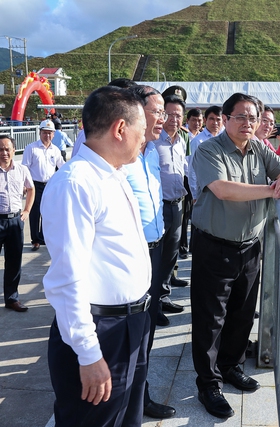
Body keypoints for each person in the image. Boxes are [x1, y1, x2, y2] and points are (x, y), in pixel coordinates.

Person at [41, 86, 151, 427]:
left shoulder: (113, 174)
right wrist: (89, 355)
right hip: (101, 330)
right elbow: (66, 280)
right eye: (141, 131)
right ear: (120, 129)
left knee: (125, 417)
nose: (144, 140)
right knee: (92, 420)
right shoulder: (76, 183)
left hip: (131, 322)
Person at [190, 93, 280, 419]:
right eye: (240, 117)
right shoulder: (209, 149)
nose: (248, 123)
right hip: (215, 246)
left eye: (252, 118)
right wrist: (273, 189)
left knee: (241, 313)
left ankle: (231, 366)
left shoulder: (258, 148)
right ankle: (208, 384)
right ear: (225, 119)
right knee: (210, 319)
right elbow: (224, 190)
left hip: (250, 247)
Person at [124, 85, 177, 419]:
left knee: (147, 331)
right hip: (132, 255)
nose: (165, 118)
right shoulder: (121, 159)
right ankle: (126, 401)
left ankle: (140, 398)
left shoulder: (152, 152)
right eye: (158, 111)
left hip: (154, 252)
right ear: (136, 112)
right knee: (129, 334)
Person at [152, 93, 189, 317]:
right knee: (156, 255)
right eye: (170, 114)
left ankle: (163, 296)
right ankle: (153, 303)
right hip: (159, 206)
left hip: (178, 204)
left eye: (179, 115)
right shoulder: (153, 141)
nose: (174, 119)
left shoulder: (181, 140)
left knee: (171, 255)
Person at [0, 135, 34, 312]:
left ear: (14, 150)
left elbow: (30, 188)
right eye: (1, 149)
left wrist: (27, 210)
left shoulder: (21, 169)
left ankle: (12, 299)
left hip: (15, 222)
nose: (4, 153)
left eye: (7, 149)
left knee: (14, 262)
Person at [22, 119, 65, 251]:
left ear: (53, 134)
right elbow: (25, 168)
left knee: (49, 212)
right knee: (35, 213)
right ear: (40, 133)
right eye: (44, 133)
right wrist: (24, 185)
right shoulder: (31, 148)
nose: (47, 136)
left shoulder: (55, 150)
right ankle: (35, 240)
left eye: (50, 133)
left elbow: (62, 166)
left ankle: (43, 237)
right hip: (35, 185)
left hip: (50, 185)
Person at [179, 108, 202, 259]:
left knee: (197, 213)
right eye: (193, 120)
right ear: (188, 121)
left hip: (199, 179)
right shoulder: (183, 135)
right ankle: (182, 247)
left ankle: (194, 245)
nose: (197, 123)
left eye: (199, 120)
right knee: (185, 215)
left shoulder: (203, 137)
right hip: (186, 178)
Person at [188, 105, 224, 199]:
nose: (215, 123)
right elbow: (192, 170)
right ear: (205, 120)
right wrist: (195, 195)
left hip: (221, 191)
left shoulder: (224, 140)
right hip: (203, 192)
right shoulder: (198, 141)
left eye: (218, 119)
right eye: (211, 119)